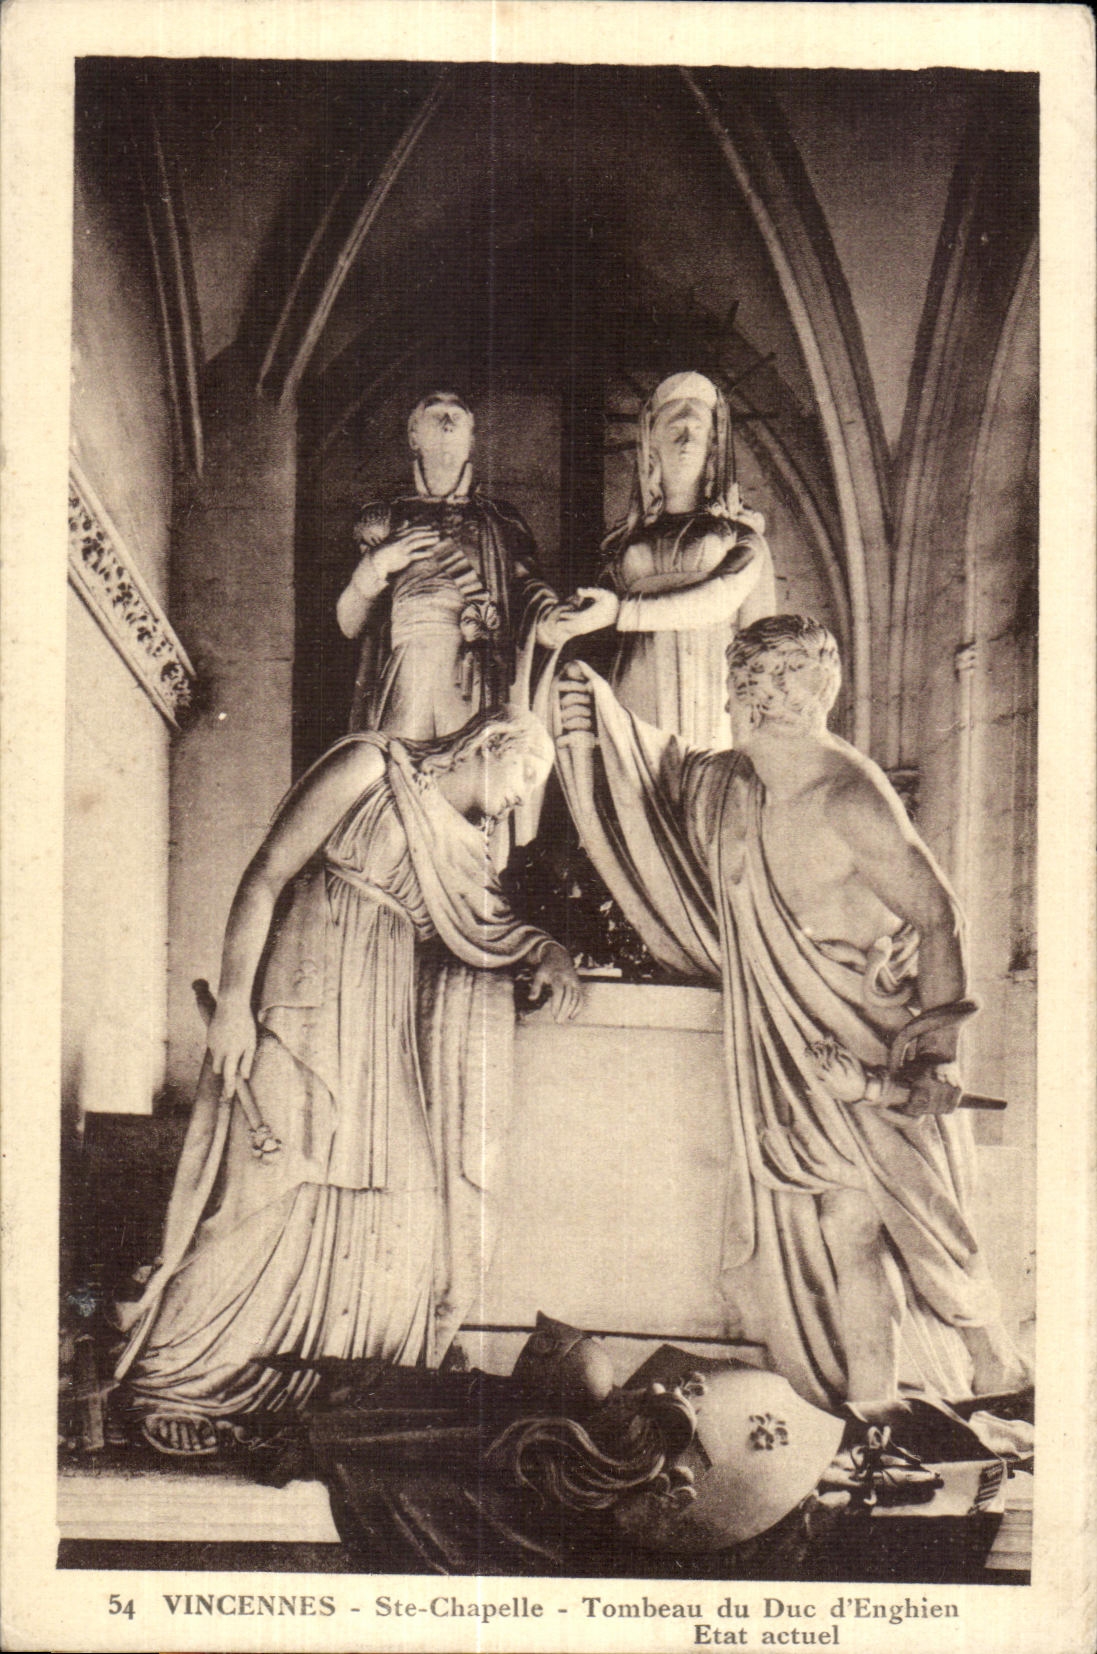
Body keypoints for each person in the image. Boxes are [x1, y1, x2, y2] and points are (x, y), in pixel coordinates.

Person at [553, 616, 1029, 1415]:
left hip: (868, 1037)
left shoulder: (848, 796)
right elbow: (670, 772)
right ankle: (875, 1405)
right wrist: (598, 720)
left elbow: (940, 916)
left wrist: (930, 1062)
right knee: (845, 1223)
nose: (755, 698)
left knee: (925, 1225)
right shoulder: (739, 782)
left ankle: (996, 1369)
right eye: (747, 681)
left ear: (812, 695)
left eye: (774, 683)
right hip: (795, 1046)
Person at [116, 707, 581, 1455]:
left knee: (407, 1203)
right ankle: (183, 1378)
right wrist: (234, 1002)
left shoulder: (472, 845)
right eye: (525, 775)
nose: (520, 798)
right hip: (307, 999)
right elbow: (267, 873)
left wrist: (545, 948)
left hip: (385, 1019)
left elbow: (485, 933)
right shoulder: (372, 763)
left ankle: (328, 1383)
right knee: (267, 1188)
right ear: (491, 745)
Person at [336, 390, 617, 742]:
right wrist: (378, 564)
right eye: (434, 410)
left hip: (476, 677)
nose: (447, 418)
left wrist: (551, 620)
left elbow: (528, 594)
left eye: (458, 412)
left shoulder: (500, 522)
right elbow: (349, 622)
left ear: (471, 439)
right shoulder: (384, 520)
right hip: (407, 675)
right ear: (413, 436)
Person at [601, 372, 777, 748]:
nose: (684, 441)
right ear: (652, 448)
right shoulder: (619, 548)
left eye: (695, 432)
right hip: (637, 681)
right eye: (674, 430)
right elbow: (593, 640)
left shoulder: (738, 537)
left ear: (713, 448)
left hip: (709, 677)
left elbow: (720, 599)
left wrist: (621, 612)